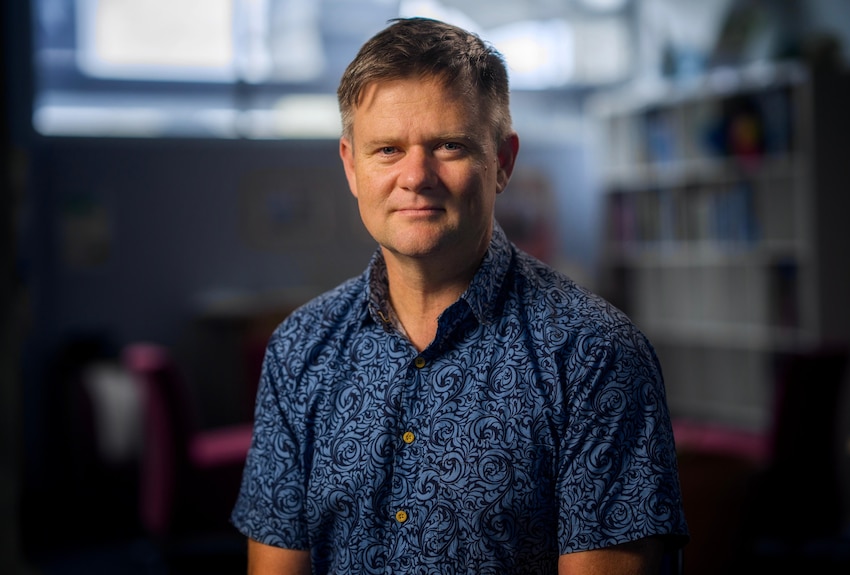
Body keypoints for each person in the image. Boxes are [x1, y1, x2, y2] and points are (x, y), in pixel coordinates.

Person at [231, 17, 688, 574]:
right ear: (351, 166)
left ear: (503, 161)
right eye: (387, 150)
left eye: (448, 146)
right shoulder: (299, 348)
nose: (416, 176)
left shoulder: (596, 356)